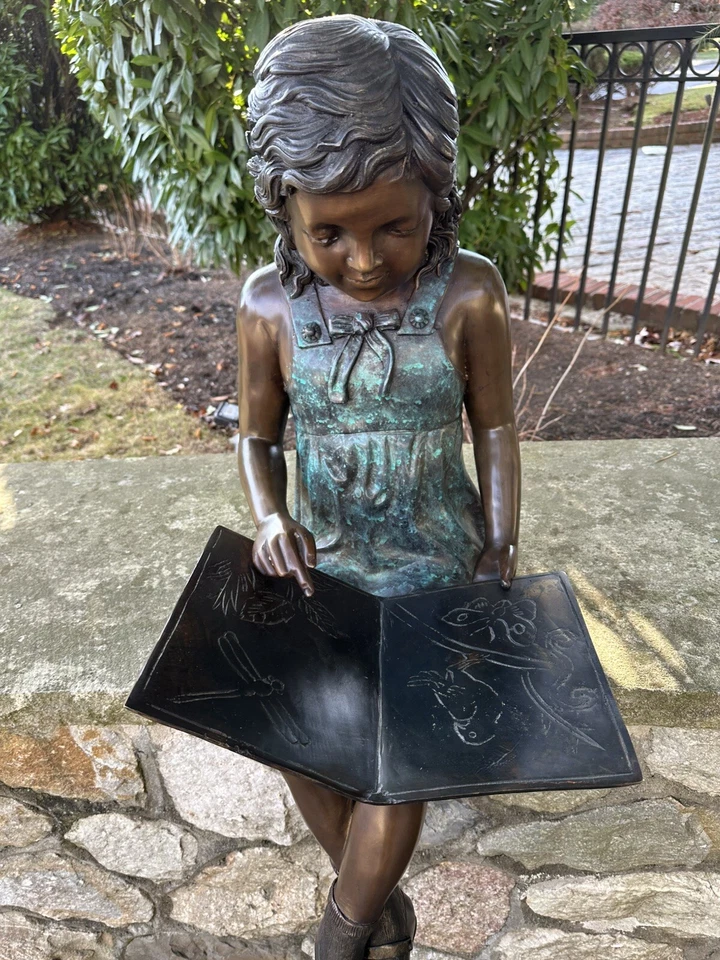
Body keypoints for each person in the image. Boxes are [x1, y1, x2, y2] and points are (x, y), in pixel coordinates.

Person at [236, 14, 520, 960]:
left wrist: (500, 544)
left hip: (436, 567)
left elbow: (495, 427)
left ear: (438, 196)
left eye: (395, 227)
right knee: (290, 737)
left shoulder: (468, 294)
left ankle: (342, 935)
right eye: (329, 235)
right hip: (323, 569)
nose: (364, 260)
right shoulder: (269, 305)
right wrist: (270, 514)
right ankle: (383, 915)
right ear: (285, 216)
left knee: (400, 764)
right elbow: (255, 435)